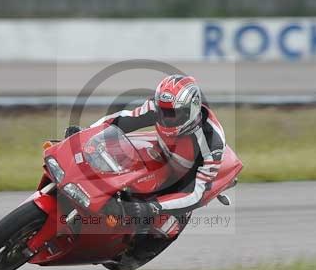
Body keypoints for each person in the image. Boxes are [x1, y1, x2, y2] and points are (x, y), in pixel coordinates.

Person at [88, 74, 226, 242]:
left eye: (173, 114)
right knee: (114, 156)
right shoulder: (157, 106)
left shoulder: (211, 143)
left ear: (192, 109)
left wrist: (152, 207)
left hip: (187, 179)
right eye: (162, 112)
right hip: (162, 151)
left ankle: (127, 255)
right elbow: (121, 119)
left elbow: (197, 194)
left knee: (163, 230)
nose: (166, 118)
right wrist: (87, 132)